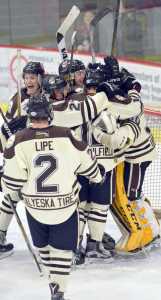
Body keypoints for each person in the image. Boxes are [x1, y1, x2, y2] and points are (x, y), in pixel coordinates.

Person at [1, 94, 104, 300]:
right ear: (50, 112)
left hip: (35, 210)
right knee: (63, 253)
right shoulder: (68, 135)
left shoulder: (18, 139)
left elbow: (11, 185)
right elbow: (91, 168)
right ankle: (59, 290)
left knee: (45, 249)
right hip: (65, 207)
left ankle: (53, 283)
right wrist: (98, 175)